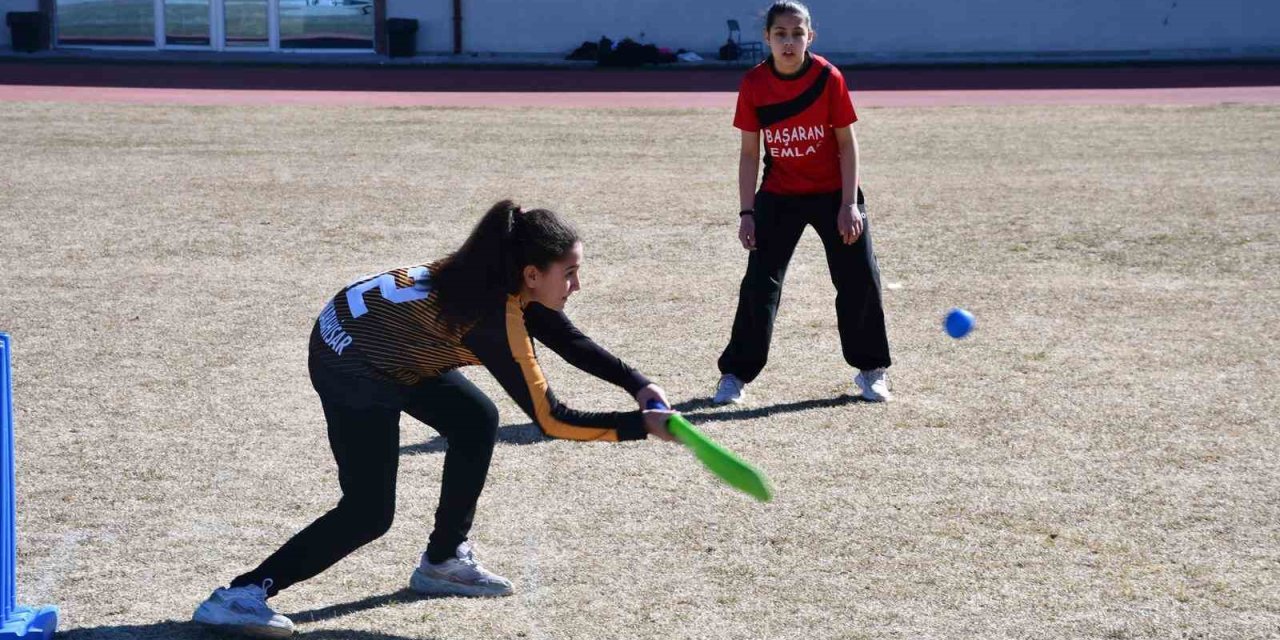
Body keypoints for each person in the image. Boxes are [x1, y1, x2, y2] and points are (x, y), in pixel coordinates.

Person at [193, 200, 678, 638]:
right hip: (349, 358)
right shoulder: (494, 317)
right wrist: (642, 426)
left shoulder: (506, 278)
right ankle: (241, 595)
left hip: (380, 342)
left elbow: (569, 340)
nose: (577, 284)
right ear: (532, 274)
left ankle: (443, 561)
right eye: (570, 272)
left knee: (475, 418)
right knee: (368, 513)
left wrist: (639, 385)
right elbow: (551, 421)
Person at [713, 1, 893, 405]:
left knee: (858, 277)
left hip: (834, 194)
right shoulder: (754, 84)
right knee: (760, 284)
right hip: (779, 194)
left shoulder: (828, 77)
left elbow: (847, 144)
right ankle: (735, 376)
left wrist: (849, 204)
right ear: (768, 38)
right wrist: (747, 213)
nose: (789, 42)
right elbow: (748, 153)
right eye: (781, 34)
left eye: (797, 34)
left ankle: (872, 371)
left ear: (810, 36)